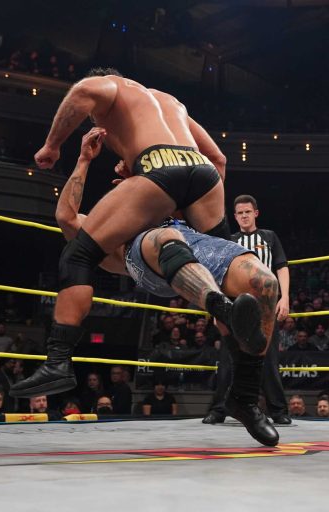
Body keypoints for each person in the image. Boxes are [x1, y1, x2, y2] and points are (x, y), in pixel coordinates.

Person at [13, 68, 260, 407]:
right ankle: (244, 385)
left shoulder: (112, 87)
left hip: (160, 177)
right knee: (227, 276)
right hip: (202, 176)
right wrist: (180, 199)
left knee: (77, 254)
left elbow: (83, 91)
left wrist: (52, 146)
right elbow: (218, 158)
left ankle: (57, 362)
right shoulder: (170, 102)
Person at [38, 131, 280, 445]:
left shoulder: (173, 206)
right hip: (145, 257)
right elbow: (66, 217)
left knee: (265, 282)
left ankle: (244, 397)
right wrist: (84, 159)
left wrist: (149, 178)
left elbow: (213, 171)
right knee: (166, 238)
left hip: (192, 243)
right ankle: (223, 308)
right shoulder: (106, 230)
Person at [204, 194, 292, 425]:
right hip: (234, 306)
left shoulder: (269, 237)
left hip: (265, 306)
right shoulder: (229, 241)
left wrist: (284, 298)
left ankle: (278, 411)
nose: (244, 216)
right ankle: (218, 410)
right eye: (240, 213)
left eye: (247, 212)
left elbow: (281, 267)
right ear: (235, 217)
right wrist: (217, 308)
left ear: (256, 213)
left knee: (269, 360)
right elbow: (218, 274)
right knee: (227, 359)